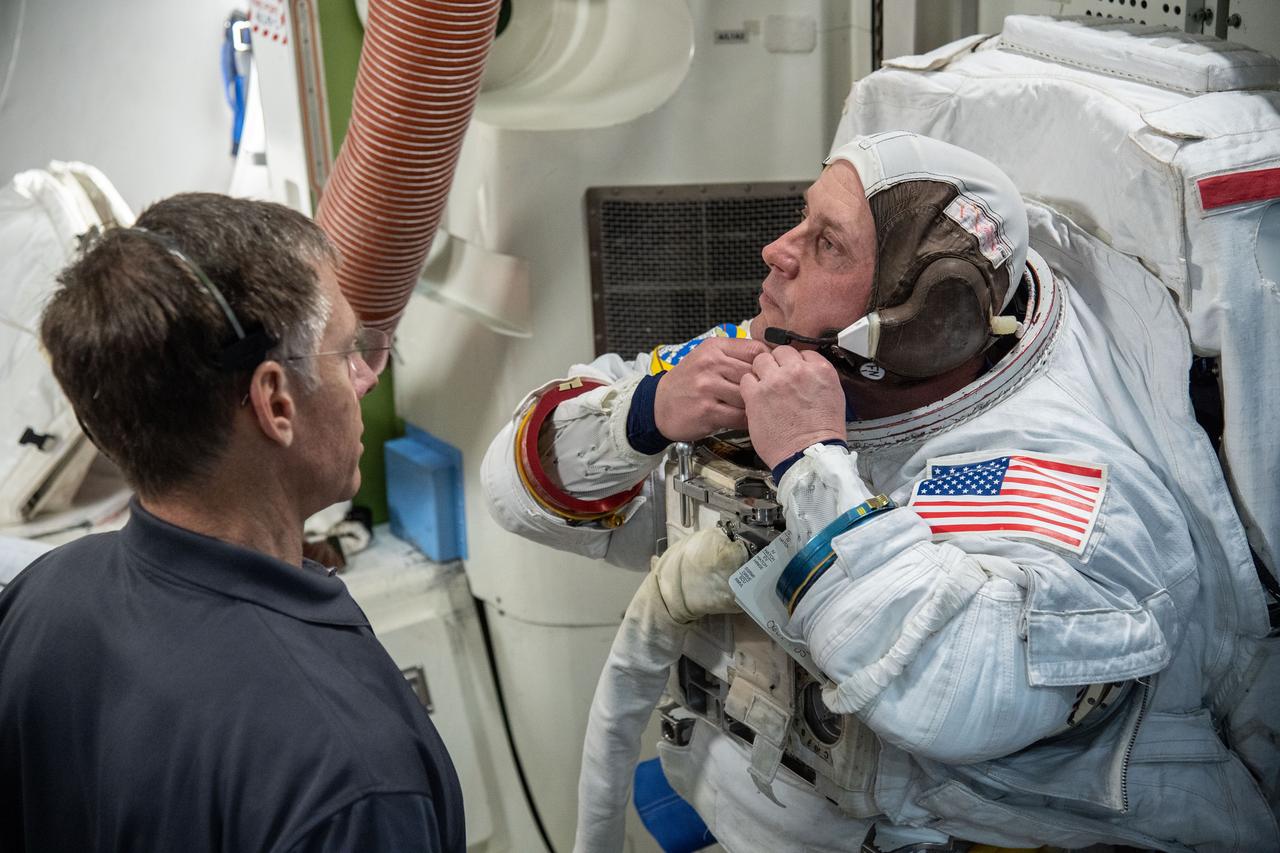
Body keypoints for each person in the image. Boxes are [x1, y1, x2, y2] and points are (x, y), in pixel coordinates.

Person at [482, 132, 1279, 852]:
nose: (775, 251)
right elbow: (512, 492)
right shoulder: (786, 359)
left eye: (824, 242)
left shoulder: (1062, 476)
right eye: (802, 220)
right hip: (744, 798)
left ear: (924, 315)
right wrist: (642, 414)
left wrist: (811, 462)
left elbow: (945, 693)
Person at [0, 193, 465, 852]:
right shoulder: (349, 777)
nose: (363, 378)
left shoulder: (42, 598)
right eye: (344, 353)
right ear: (276, 401)